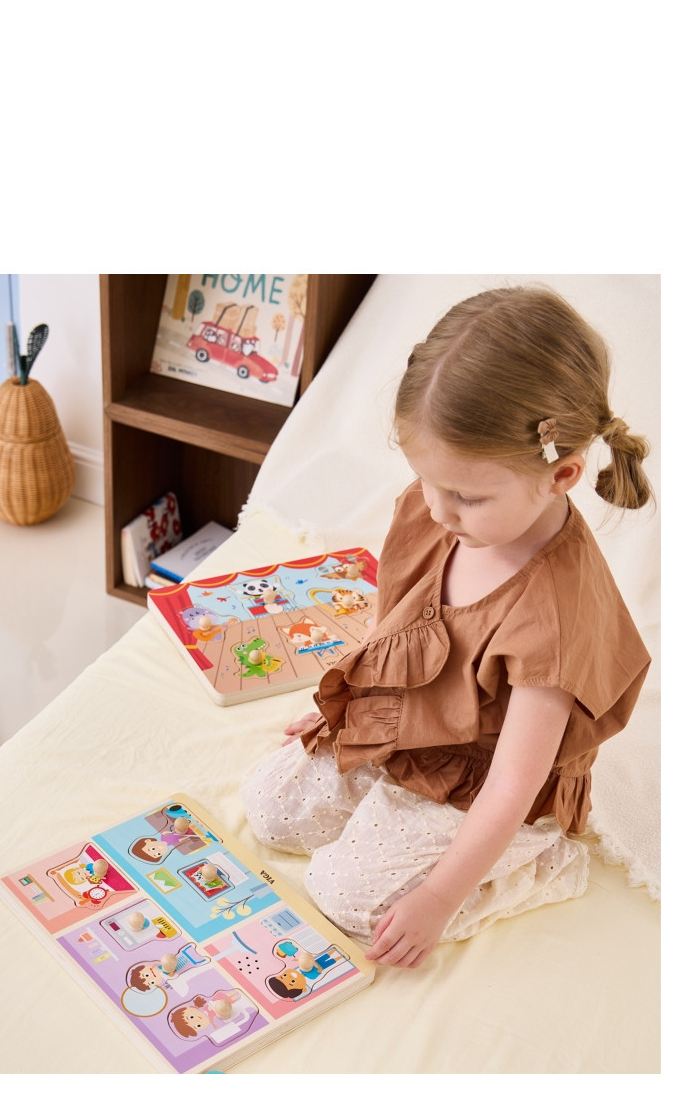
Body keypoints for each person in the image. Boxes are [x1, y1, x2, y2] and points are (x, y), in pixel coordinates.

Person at [240, 287, 653, 969]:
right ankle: (395, 805)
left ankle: (536, 861)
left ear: (562, 475)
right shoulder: (436, 512)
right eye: (426, 480)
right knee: (270, 806)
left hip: (485, 777)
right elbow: (398, 622)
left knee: (346, 898)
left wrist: (438, 897)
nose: (437, 508)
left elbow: (513, 783)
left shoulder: (552, 618)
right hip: (413, 724)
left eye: (465, 495)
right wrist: (355, 703)